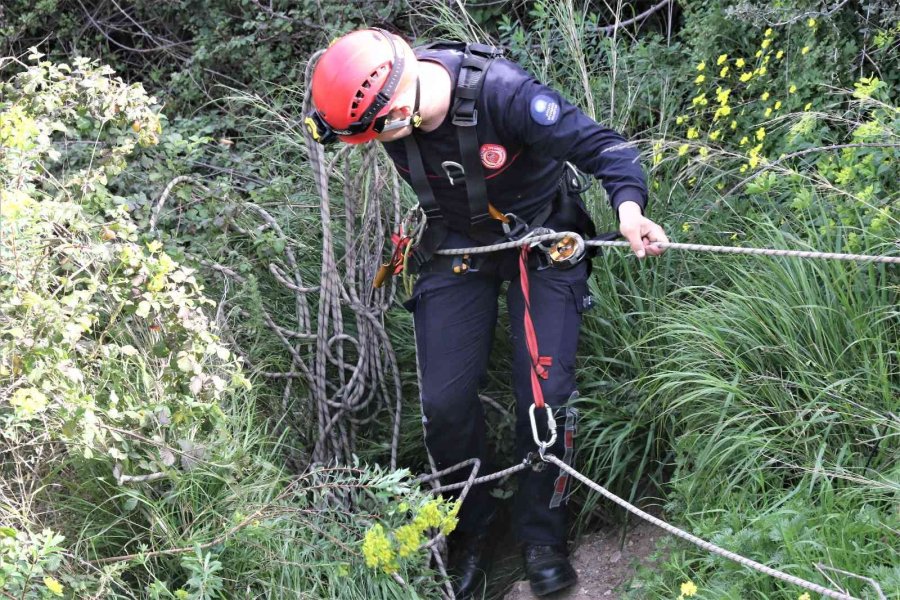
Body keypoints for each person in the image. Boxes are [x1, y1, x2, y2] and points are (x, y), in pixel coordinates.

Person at [306, 28, 668, 598]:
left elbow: (605, 148)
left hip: (544, 239)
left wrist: (628, 210)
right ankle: (471, 527)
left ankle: (543, 535)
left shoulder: (505, 94)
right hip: (458, 246)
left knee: (544, 395)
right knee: (443, 405)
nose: (381, 143)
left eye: (380, 133)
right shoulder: (389, 110)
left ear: (399, 105)